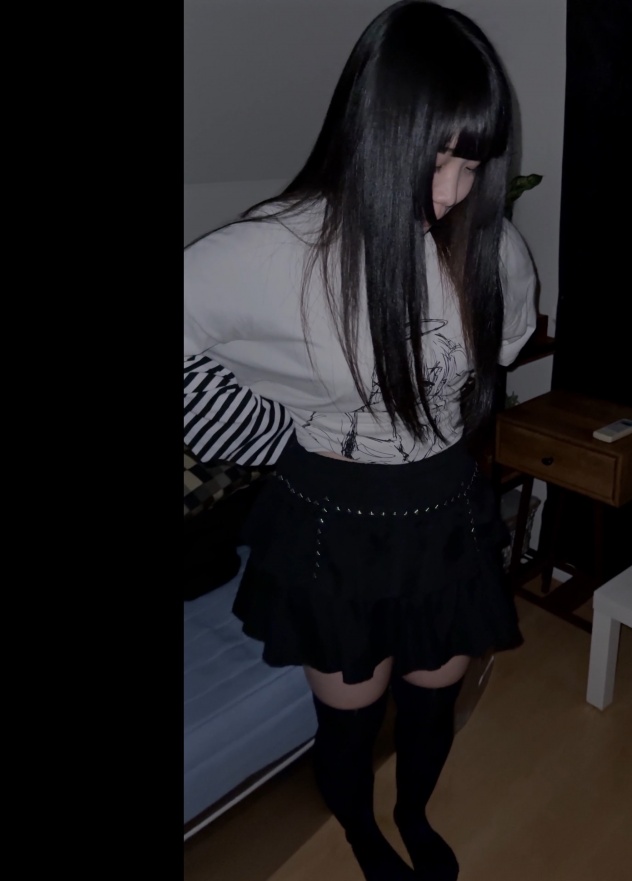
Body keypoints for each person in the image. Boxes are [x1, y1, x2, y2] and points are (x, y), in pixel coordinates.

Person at [183, 2, 537, 878]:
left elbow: (501, 350)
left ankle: (412, 810)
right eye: (435, 158)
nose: (452, 191)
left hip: (444, 511)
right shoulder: (276, 251)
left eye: (472, 163)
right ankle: (360, 830)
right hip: (334, 523)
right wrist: (269, 431)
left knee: (431, 701)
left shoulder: (490, 245)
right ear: (375, 132)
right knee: (349, 713)